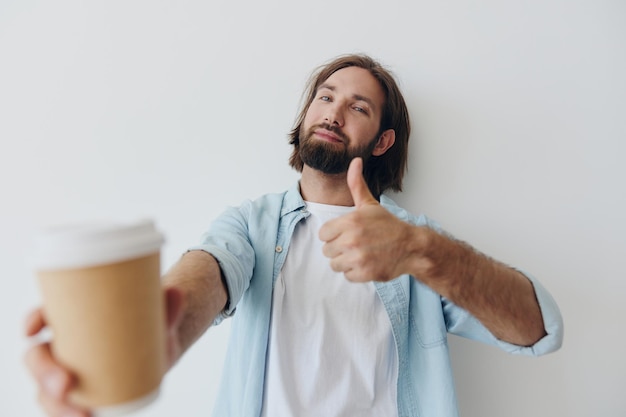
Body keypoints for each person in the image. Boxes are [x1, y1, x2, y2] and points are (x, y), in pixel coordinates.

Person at [24, 54, 563, 417]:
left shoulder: (416, 243)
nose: (334, 112)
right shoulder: (251, 225)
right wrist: (155, 326)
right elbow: (210, 270)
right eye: (326, 97)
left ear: (381, 142)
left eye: (359, 107)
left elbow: (540, 330)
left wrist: (421, 251)